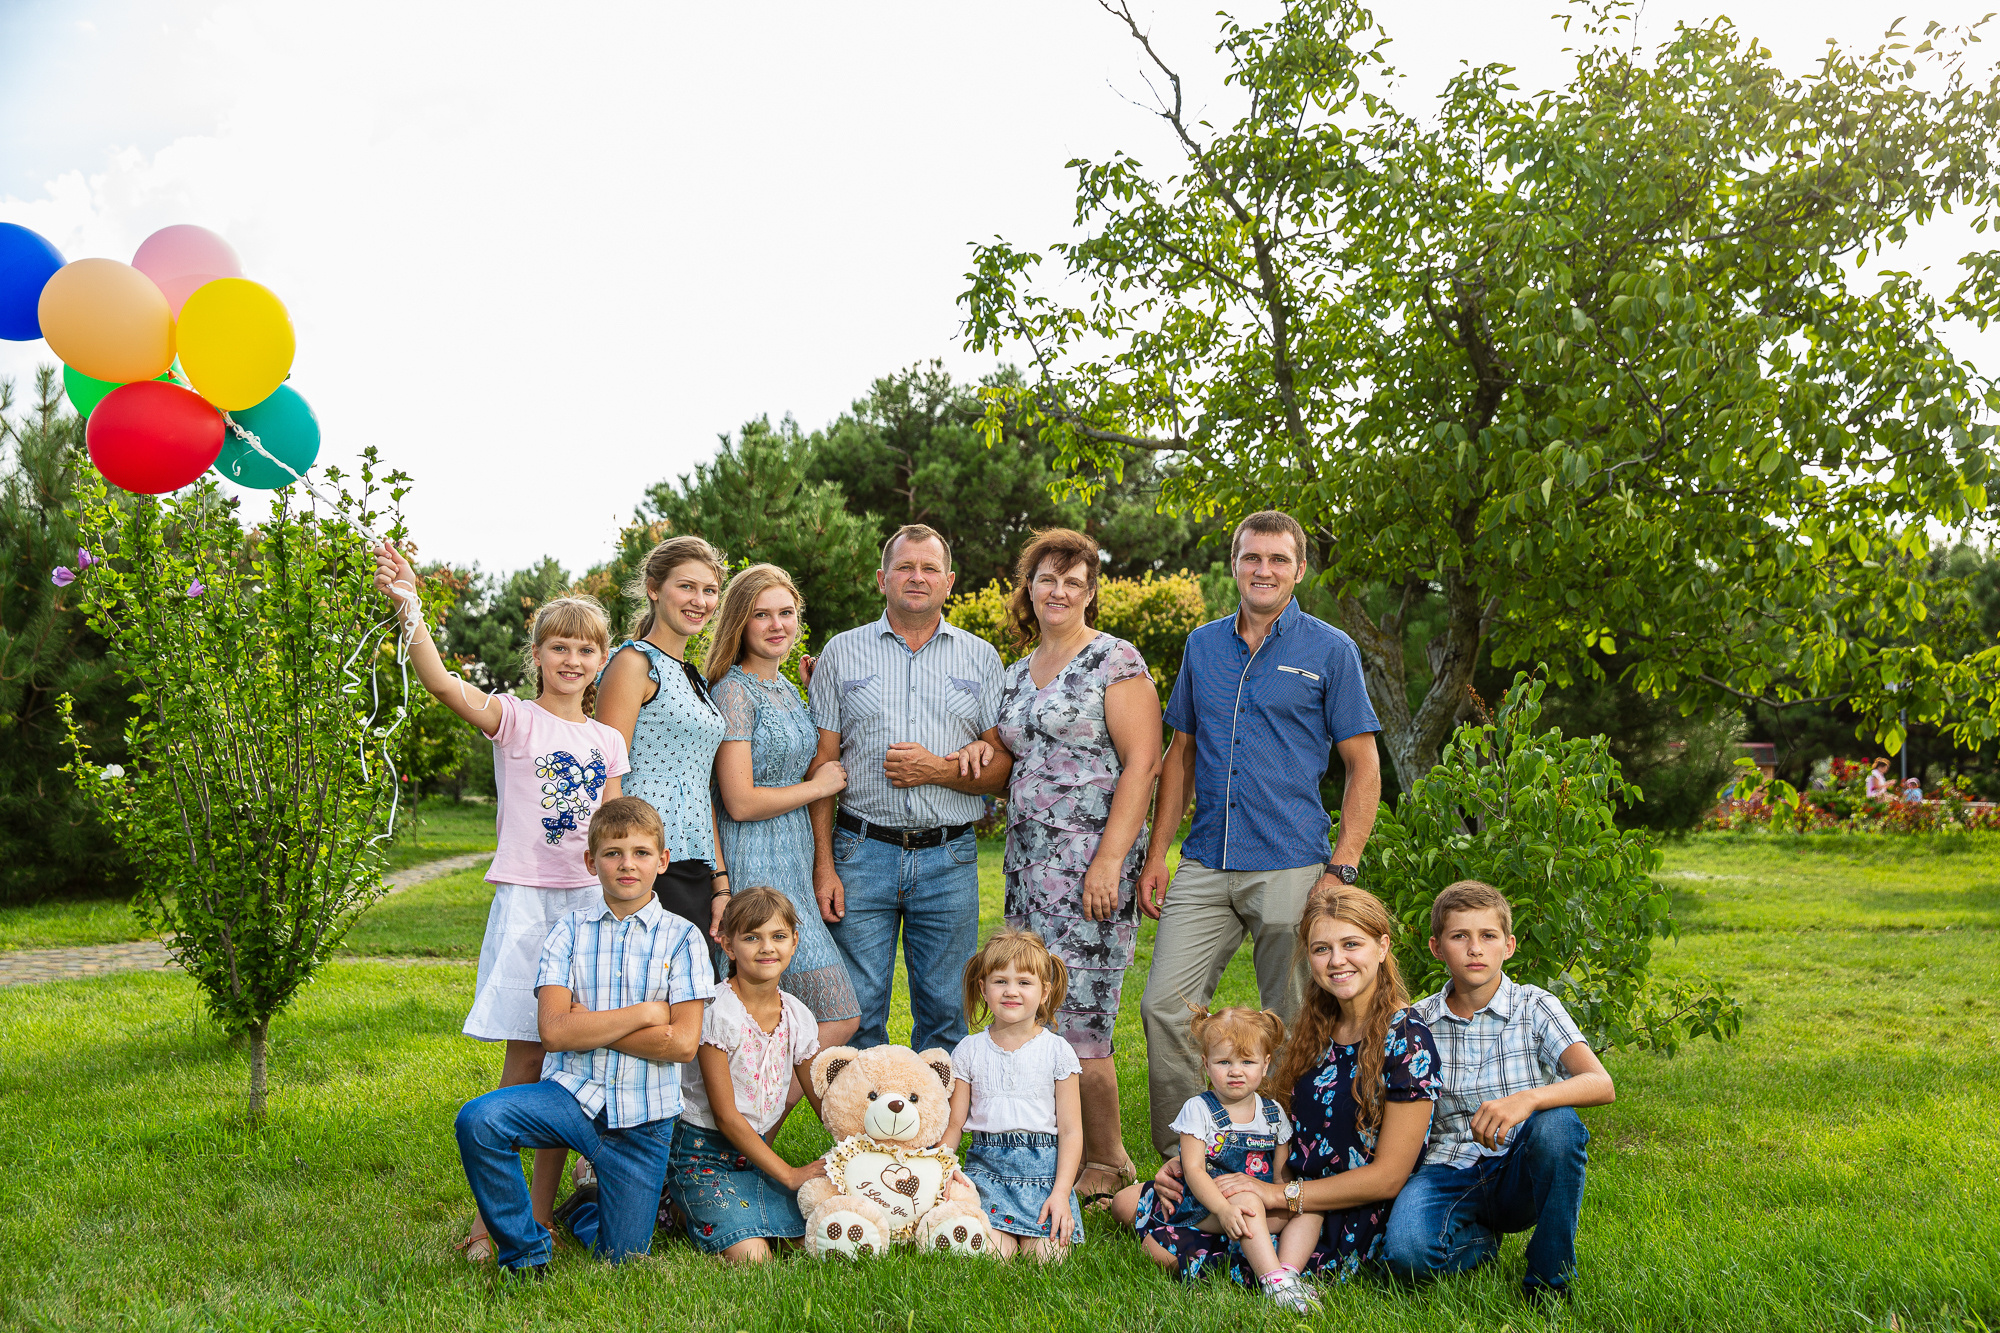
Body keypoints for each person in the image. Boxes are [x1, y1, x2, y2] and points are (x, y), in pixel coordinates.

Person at [373, 542, 629, 1262]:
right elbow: (445, 686)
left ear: (599, 659)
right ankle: (495, 1220)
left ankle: (538, 1216)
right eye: (559, 646)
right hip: (528, 908)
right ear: (538, 654)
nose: (572, 660)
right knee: (524, 1062)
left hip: (586, 908)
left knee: (568, 1069)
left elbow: (614, 834)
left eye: (585, 649)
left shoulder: (607, 738)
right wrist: (410, 609)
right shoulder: (516, 719)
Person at [1137, 510, 1383, 1158]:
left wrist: (1341, 868)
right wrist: (1159, 852)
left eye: (1278, 559)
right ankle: (1185, 1163)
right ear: (1235, 564)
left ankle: (1292, 1154)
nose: (1264, 570)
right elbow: (1180, 753)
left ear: (1299, 569)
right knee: (1164, 1005)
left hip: (1293, 861)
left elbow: (1364, 766)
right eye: (1252, 558)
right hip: (1206, 859)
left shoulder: (1331, 650)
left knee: (1300, 1019)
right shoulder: (1202, 645)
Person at [968, 527, 1158, 1206]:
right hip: (1026, 866)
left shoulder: (1115, 660)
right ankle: (1061, 1147)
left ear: (1090, 592)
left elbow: (1142, 762)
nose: (1058, 590)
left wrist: (1110, 860)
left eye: (1073, 581)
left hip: (1088, 867)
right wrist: (972, 751)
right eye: (1047, 577)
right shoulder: (1017, 672)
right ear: (1029, 586)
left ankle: (1110, 1158)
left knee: (1084, 1020)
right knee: (1043, 1010)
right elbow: (1007, 752)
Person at [1118, 887, 1442, 1285]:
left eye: (1351, 944)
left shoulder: (1408, 1038)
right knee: (1139, 1200)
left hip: (1336, 1208)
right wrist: (1198, 1155)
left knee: (1175, 1238)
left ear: (1381, 946)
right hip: (1281, 1181)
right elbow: (1281, 1119)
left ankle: (1273, 1269)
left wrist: (1277, 1195)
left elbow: (1389, 1177)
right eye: (1321, 949)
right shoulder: (1321, 1023)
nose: (1336, 960)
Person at [451, 796, 713, 1275]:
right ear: (592, 862)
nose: (627, 864)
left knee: (622, 1262)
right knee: (480, 1120)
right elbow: (553, 1033)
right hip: (571, 1099)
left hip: (643, 1121)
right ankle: (525, 1250)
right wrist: (646, 1014)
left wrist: (588, 1026)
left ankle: (584, 1208)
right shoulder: (566, 932)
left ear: (663, 861)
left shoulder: (683, 938)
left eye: (639, 852)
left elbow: (682, 1044)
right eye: (613, 853)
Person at [805, 523, 1009, 1053]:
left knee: (946, 1013)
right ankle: (861, 1136)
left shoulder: (981, 659)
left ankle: (933, 1136)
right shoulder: (840, 654)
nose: (917, 577)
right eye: (905, 567)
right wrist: (824, 864)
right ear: (882, 579)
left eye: (929, 568)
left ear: (949, 581)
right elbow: (823, 767)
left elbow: (1002, 768)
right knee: (857, 1013)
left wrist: (938, 770)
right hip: (859, 851)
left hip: (950, 857)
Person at [1385, 880, 1616, 1304]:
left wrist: (1528, 1098)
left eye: (1488, 936)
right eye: (1460, 937)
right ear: (1437, 948)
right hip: (1448, 1168)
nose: (1475, 949)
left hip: (1519, 1170)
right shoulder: (1417, 1022)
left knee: (1559, 1124)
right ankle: (1479, 1242)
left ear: (1508, 945)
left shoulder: (1534, 1005)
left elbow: (1601, 1084)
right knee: (1406, 1258)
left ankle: (1549, 1282)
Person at [706, 565, 859, 1054]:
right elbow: (740, 800)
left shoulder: (788, 688)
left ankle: (748, 1127)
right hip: (753, 859)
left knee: (797, 1020)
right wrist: (817, 787)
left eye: (786, 613)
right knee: (835, 1015)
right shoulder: (732, 689)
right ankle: (743, 1126)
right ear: (739, 623)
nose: (777, 625)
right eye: (761, 615)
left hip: (792, 860)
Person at [668, 887, 829, 1263]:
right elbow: (725, 1116)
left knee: (811, 1240)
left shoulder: (797, 1015)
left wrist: (863, 1149)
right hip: (700, 1157)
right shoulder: (716, 1011)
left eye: (778, 936)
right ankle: (674, 1202)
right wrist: (789, 1176)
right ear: (727, 945)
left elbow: (824, 1102)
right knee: (754, 1257)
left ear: (794, 942)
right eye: (751, 937)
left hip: (754, 1157)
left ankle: (701, 1209)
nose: (766, 947)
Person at [1126, 1006, 1321, 1313]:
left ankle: (1285, 1275)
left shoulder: (1273, 1115)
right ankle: (1270, 1276)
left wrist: (1279, 1202)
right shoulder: (1199, 1110)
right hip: (1207, 1205)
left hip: (1259, 1204)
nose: (1235, 1071)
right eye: (1224, 1062)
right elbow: (1193, 1170)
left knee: (1311, 1208)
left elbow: (1282, 1178)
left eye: (1247, 1061)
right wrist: (1224, 1208)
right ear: (1205, 1064)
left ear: (1266, 1064)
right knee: (1123, 1204)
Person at [595, 536, 730, 944]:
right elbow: (607, 774)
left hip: (693, 860)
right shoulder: (634, 663)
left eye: (709, 591)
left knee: (690, 996)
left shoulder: (693, 677)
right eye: (686, 587)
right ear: (654, 588)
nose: (700, 601)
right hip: (645, 861)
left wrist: (719, 880)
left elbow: (698, 782)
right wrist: (626, 864)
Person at [942, 929, 1084, 1261]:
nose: (1011, 991)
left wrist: (1062, 1192)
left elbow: (1071, 1131)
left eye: (1024, 982)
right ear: (983, 988)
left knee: (1046, 1259)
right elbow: (954, 1125)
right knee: (991, 1255)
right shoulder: (969, 1050)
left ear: (1045, 991)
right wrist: (943, 1169)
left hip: (1045, 1178)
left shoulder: (1057, 1051)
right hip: (986, 1174)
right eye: (1000, 981)